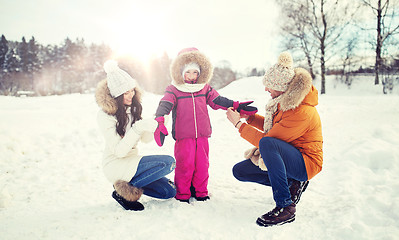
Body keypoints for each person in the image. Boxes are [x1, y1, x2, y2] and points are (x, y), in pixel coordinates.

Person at [226, 52, 323, 227]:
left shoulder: (302, 111)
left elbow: (268, 140)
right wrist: (249, 118)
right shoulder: (286, 102)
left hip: (306, 163)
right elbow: (276, 129)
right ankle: (291, 182)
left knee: (267, 144)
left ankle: (285, 207)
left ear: (281, 86)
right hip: (289, 155)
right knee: (240, 171)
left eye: (269, 85)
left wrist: (238, 125)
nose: (266, 89)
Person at [154, 47, 258, 203]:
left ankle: (201, 191)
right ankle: (183, 193)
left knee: (202, 165)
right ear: (181, 72)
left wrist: (236, 105)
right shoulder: (174, 89)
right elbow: (165, 104)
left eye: (195, 72)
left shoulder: (204, 88)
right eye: (188, 72)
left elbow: (218, 101)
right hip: (184, 136)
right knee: (185, 165)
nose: (191, 76)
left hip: (202, 135)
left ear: (200, 72)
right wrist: (160, 119)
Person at [95, 60, 176, 211]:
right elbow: (119, 151)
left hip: (132, 162)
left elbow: (145, 139)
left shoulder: (133, 109)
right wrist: (138, 128)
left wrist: (158, 122)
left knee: (169, 192)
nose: (131, 95)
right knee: (168, 162)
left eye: (132, 90)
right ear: (117, 95)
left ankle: (131, 185)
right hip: (115, 164)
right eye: (126, 93)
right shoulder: (105, 115)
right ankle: (122, 192)